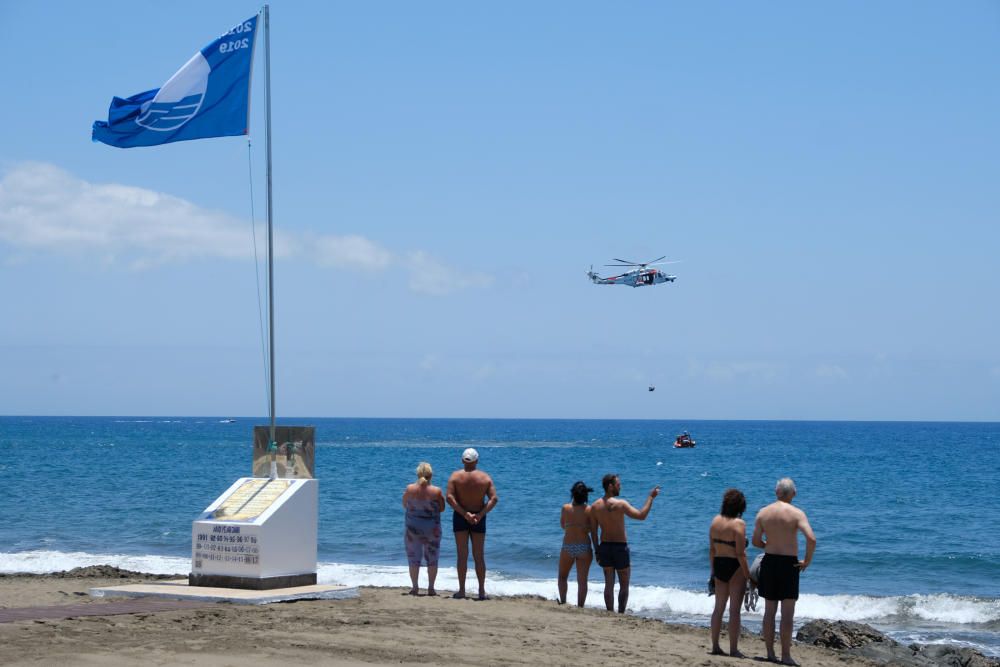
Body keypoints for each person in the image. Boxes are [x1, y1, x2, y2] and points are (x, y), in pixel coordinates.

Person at [752, 478, 817, 666]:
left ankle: (770, 653)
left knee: (769, 611)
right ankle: (786, 656)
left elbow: (756, 542)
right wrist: (807, 561)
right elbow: (811, 539)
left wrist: (768, 545)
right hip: (789, 564)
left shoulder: (763, 513)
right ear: (793, 494)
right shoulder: (797, 514)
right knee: (787, 614)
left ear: (776, 493)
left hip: (770, 561)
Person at [589, 473, 660, 613]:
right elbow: (641, 515)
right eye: (618, 484)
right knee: (624, 584)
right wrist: (651, 498)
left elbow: (593, 532)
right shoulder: (621, 504)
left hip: (605, 547)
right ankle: (621, 613)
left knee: (608, 584)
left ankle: (610, 612)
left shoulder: (595, 506)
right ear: (610, 486)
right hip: (620, 547)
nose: (619, 486)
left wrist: (596, 550)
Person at [445, 447, 498, 600]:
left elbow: (449, 497)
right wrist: (480, 514)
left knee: (462, 555)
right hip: (478, 518)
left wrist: (464, 513)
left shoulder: (455, 477)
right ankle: (481, 592)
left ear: (463, 460)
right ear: (477, 461)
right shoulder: (485, 478)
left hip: (461, 517)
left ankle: (462, 591)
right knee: (479, 556)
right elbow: (494, 499)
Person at [709, 488, 751, 657]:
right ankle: (733, 649)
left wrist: (713, 571)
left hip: (718, 563)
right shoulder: (739, 524)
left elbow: (712, 550)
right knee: (734, 610)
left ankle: (715, 646)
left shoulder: (715, 521)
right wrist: (749, 576)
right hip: (735, 566)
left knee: (718, 608)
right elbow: (741, 553)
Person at [402, 461, 445, 595]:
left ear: (418, 474)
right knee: (432, 558)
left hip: (412, 528)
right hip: (432, 529)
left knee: (413, 557)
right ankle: (431, 588)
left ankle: (415, 587)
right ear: (431, 475)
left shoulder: (409, 489)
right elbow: (442, 508)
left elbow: (405, 505)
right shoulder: (436, 491)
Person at [558, 481, 595, 607]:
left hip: (568, 546)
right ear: (585, 495)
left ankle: (563, 601)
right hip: (584, 547)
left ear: (572, 493)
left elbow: (563, 526)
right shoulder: (589, 509)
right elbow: (592, 528)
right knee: (582, 580)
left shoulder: (566, 508)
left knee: (562, 576)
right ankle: (580, 606)